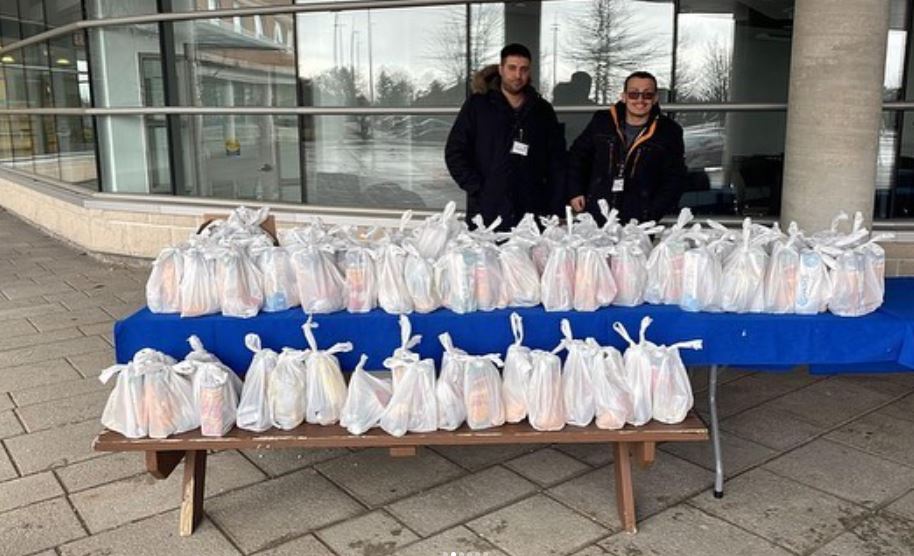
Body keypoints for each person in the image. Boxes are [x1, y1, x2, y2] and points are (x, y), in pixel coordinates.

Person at [445, 43, 566, 230]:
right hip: (487, 212)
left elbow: (557, 160)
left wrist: (555, 206)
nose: (518, 75)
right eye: (512, 68)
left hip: (532, 213)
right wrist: (478, 188)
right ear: (501, 69)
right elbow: (455, 151)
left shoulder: (542, 111)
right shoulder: (478, 106)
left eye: (523, 69)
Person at [567, 71, 687, 224]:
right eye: (633, 94)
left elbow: (675, 178)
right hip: (596, 213)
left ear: (656, 98)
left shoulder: (669, 131)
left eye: (647, 95)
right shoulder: (602, 121)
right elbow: (578, 156)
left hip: (640, 220)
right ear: (623, 97)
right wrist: (575, 191)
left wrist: (652, 212)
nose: (640, 100)